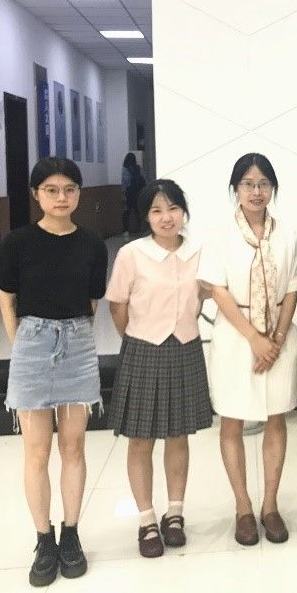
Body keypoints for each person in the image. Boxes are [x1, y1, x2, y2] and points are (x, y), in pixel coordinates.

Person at [0, 157, 107, 587]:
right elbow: (7, 298)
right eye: (52, 190)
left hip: (77, 342)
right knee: (37, 450)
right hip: (32, 342)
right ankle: (44, 539)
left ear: (79, 193)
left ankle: (71, 533)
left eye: (70, 189)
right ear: (36, 194)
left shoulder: (92, 243)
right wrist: (21, 345)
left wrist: (73, 335)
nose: (62, 198)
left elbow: (92, 301)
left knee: (74, 445)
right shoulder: (17, 242)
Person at [197, 153, 297, 546]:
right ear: (235, 189)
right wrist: (255, 339)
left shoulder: (286, 234)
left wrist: (276, 338)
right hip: (236, 337)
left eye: (263, 184)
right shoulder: (220, 235)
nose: (256, 192)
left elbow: (292, 289)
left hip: (278, 338)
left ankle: (270, 505)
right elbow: (217, 290)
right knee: (232, 421)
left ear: (272, 188)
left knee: (276, 419)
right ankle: (243, 506)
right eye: (248, 184)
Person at [106, 179, 213, 558]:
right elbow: (117, 306)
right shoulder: (132, 254)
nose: (166, 217)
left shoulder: (199, 252)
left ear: (184, 212)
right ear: (146, 217)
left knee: (179, 435)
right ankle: (147, 519)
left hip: (185, 347)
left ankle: (175, 514)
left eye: (173, 208)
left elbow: (204, 296)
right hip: (143, 348)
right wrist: (136, 337)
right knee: (140, 439)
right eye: (156, 210)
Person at [121, 153, 145, 236]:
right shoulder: (139, 168)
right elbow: (144, 179)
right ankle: (141, 230)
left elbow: (125, 182)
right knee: (138, 211)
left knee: (127, 211)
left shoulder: (125, 169)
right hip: (139, 192)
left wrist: (123, 193)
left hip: (130, 193)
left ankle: (126, 230)